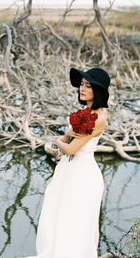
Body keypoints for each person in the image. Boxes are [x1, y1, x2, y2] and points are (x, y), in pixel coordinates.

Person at [27, 67, 111, 258]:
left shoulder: (98, 118)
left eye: (87, 86)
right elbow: (68, 143)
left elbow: (70, 149)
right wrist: (64, 137)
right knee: (57, 213)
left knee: (75, 220)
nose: (82, 88)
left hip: (83, 174)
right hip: (68, 170)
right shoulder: (86, 111)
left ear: (98, 90)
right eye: (81, 84)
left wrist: (57, 140)